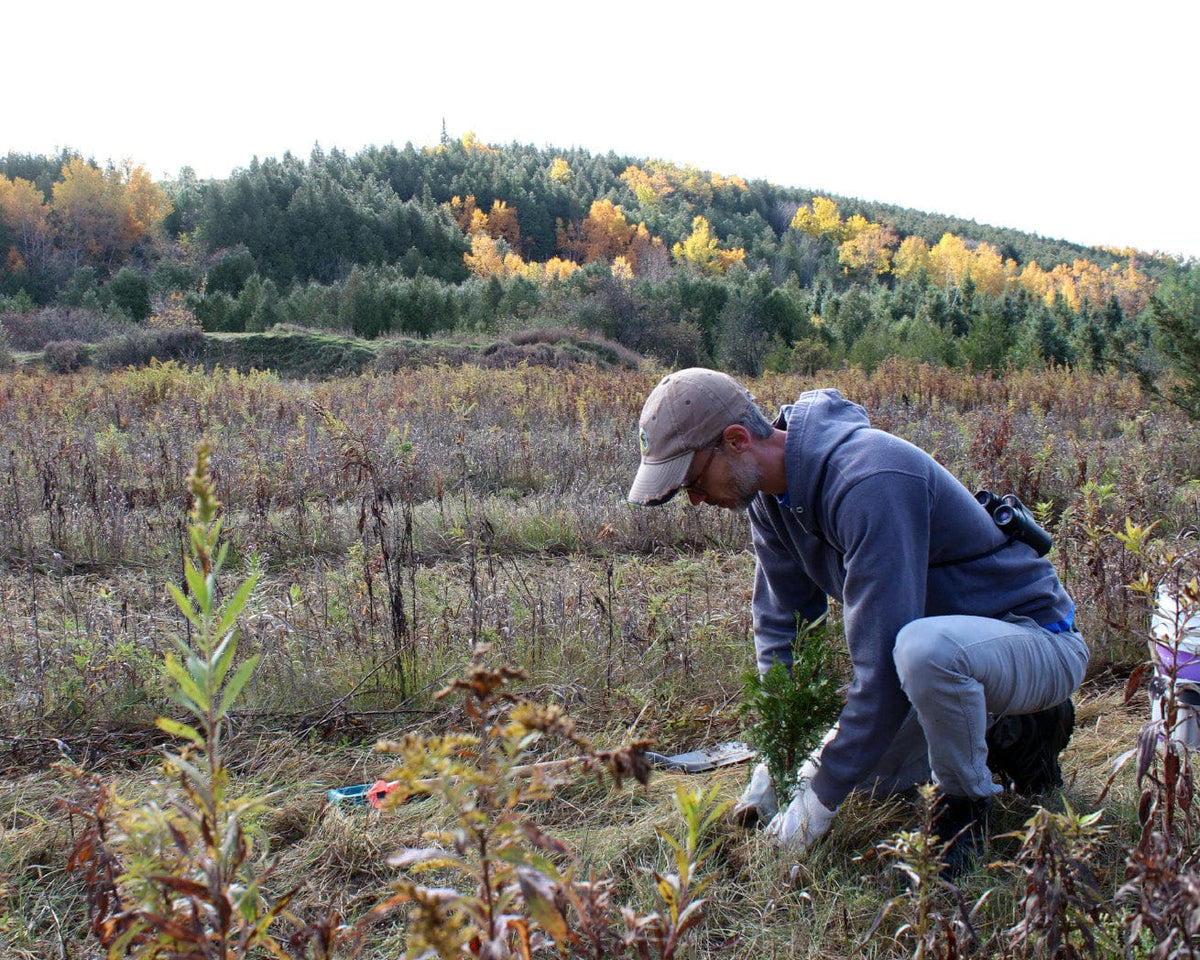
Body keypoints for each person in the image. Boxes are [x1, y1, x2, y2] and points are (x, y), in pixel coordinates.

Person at [626, 368, 1087, 874]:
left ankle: (966, 806)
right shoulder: (770, 502)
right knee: (859, 775)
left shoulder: (870, 480)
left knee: (920, 653)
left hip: (1036, 639)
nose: (695, 499)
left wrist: (818, 802)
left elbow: (884, 672)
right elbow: (785, 629)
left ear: (736, 441)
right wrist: (780, 753)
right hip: (950, 653)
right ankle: (1002, 732)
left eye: (693, 480)